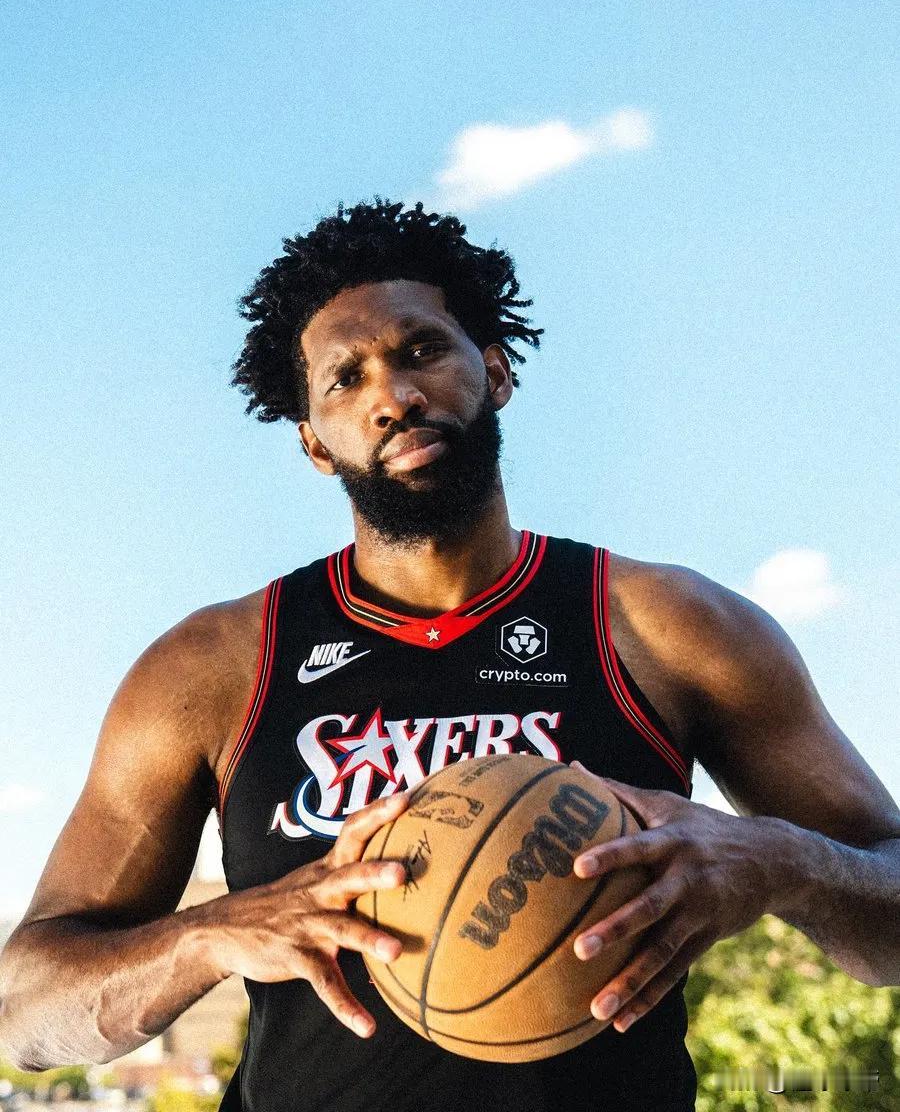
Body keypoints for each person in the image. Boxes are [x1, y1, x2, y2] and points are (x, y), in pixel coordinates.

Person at [1, 199, 897, 1112]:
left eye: (422, 350)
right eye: (346, 379)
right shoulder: (213, 668)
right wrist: (209, 936)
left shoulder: (666, 625)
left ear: (495, 371)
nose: (394, 396)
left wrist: (781, 860)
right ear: (313, 443)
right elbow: (24, 1013)